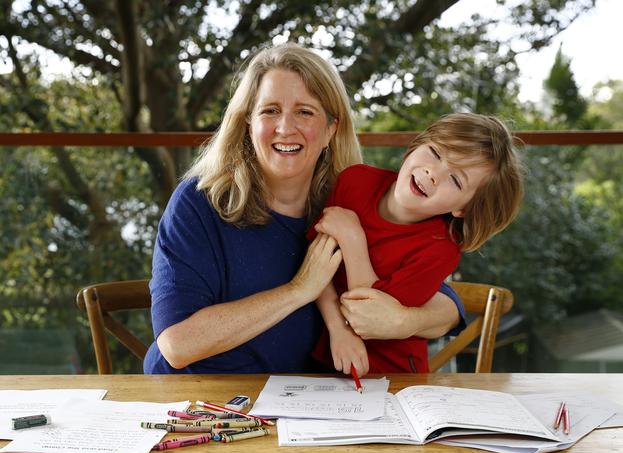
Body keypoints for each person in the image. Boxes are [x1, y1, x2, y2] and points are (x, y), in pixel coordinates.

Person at [143, 43, 464, 374]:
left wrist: (405, 319)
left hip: (301, 410)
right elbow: (177, 345)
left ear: (330, 130)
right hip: (197, 405)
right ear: (247, 124)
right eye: (270, 111)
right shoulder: (198, 202)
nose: (285, 127)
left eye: (304, 112)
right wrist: (299, 290)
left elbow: (445, 304)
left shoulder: (347, 207)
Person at [310, 113, 524, 376]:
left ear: (464, 209)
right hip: (322, 362)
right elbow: (315, 268)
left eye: (455, 180)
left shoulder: (439, 250)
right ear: (415, 146)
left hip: (392, 376)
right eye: (435, 152)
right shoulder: (355, 181)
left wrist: (353, 239)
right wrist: (336, 328)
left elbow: (370, 315)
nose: (433, 173)